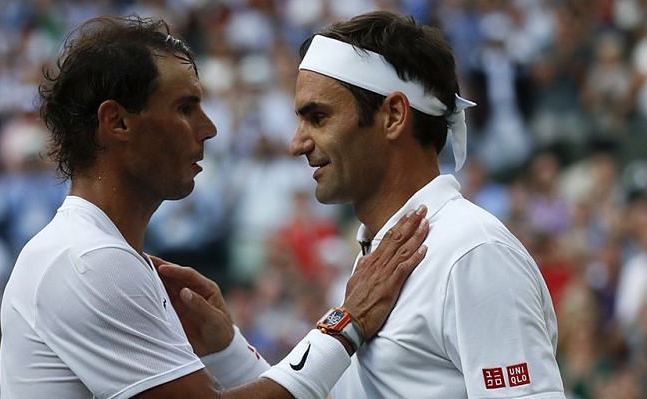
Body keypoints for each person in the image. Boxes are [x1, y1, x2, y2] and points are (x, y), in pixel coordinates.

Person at [0, 15, 430, 399]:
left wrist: (225, 348)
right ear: (117, 122)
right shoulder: (90, 260)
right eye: (186, 108)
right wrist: (345, 323)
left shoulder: (94, 253)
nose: (209, 129)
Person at [171, 11, 567, 399]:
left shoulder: (472, 252)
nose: (297, 143)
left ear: (394, 115)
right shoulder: (381, 257)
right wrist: (227, 349)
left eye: (318, 117)